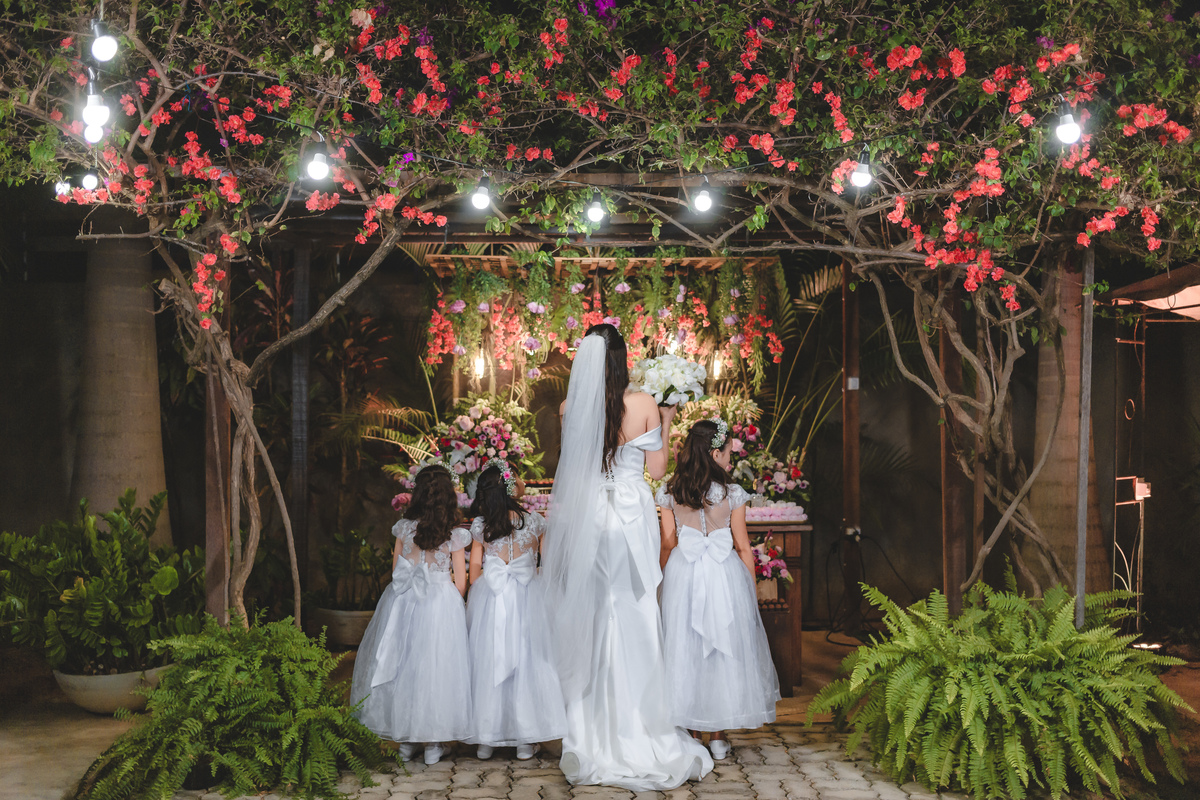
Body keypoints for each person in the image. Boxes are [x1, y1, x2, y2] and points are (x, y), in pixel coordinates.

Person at [542, 323, 713, 790]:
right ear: (622, 359)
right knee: (634, 610)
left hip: (590, 519)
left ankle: (591, 733)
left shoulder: (570, 406)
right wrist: (668, 420)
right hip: (631, 519)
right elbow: (656, 469)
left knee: (595, 612)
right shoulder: (643, 404)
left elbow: (572, 467)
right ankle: (640, 727)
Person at [656, 419, 780, 760]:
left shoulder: (671, 491)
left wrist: (661, 582)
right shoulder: (732, 493)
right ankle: (718, 736)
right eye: (727, 452)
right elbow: (743, 546)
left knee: (686, 649)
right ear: (714, 453)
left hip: (683, 574)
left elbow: (667, 544)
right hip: (724, 575)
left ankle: (693, 733)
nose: (730, 458)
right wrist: (750, 590)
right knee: (722, 651)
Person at [350, 464, 472, 766]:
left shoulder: (404, 528)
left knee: (402, 666)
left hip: (403, 601)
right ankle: (433, 743)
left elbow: (396, 570)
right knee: (436, 669)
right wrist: (450, 602)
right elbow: (460, 582)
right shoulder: (455, 534)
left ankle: (405, 742)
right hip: (440, 605)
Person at [464, 459, 566, 760]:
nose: (522, 482)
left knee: (489, 659)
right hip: (529, 595)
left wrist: (478, 595)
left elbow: (474, 570)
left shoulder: (481, 525)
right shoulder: (535, 522)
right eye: (518, 477)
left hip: (491, 597)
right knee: (527, 661)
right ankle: (525, 739)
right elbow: (547, 563)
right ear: (511, 487)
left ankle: (486, 740)